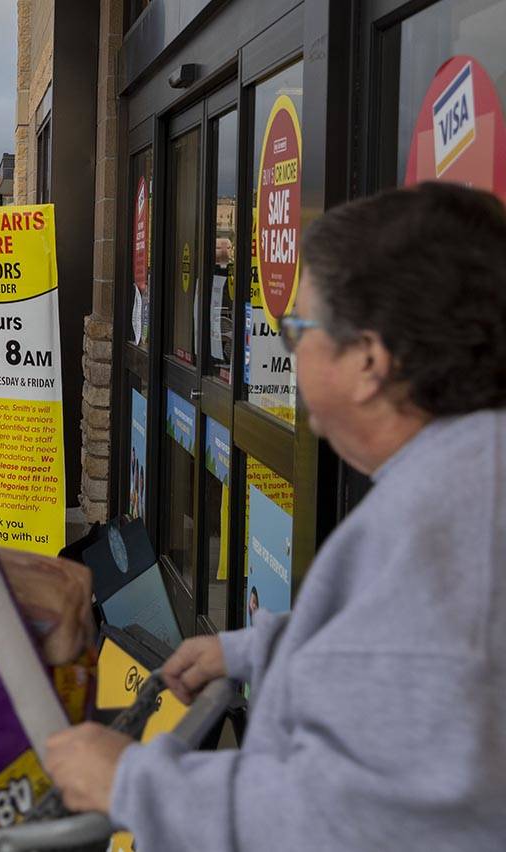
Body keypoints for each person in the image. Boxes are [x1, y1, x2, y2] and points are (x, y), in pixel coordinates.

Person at [44, 182, 506, 850]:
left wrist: (130, 783)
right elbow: (391, 656)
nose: (290, 349)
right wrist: (248, 649)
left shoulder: (442, 529)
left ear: (370, 362)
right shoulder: (462, 478)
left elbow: (358, 823)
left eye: (301, 328)